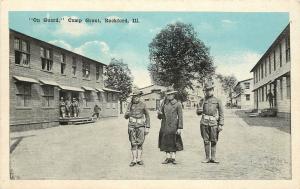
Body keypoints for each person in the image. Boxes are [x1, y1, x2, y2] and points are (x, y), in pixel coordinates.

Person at [196, 80, 224, 163]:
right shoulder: (202, 100)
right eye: (207, 90)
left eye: (210, 90)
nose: (208, 92)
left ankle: (213, 158)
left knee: (214, 140)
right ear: (205, 91)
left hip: (214, 123)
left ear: (213, 90)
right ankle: (207, 158)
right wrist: (199, 110)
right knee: (206, 140)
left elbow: (221, 113)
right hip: (204, 123)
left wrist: (221, 124)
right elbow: (197, 113)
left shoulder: (218, 100)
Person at [157, 86, 183, 165]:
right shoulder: (163, 104)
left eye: (171, 94)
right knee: (165, 141)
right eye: (168, 95)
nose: (169, 96)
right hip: (164, 125)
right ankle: (168, 157)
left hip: (174, 126)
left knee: (174, 141)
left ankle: (173, 158)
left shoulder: (178, 104)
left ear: (174, 95)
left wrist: (179, 127)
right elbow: (160, 117)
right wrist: (159, 114)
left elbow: (180, 117)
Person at [124, 89, 150, 167]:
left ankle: (139, 159)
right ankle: (134, 159)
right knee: (133, 142)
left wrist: (147, 127)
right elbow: (125, 117)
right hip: (131, 126)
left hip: (141, 126)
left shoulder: (143, 104)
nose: (136, 98)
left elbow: (147, 116)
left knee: (140, 142)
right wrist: (127, 114)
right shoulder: (129, 105)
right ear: (133, 97)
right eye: (134, 96)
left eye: (137, 96)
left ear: (140, 96)